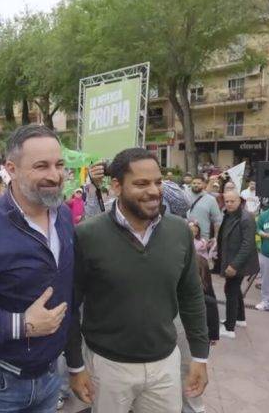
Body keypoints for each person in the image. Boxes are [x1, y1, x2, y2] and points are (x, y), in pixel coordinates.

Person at [66, 148, 209, 413]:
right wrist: (75, 365)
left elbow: (192, 296)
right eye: (141, 183)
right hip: (107, 368)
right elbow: (71, 305)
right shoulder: (87, 235)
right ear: (117, 186)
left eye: (157, 182)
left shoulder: (179, 231)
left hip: (165, 365)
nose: (154, 191)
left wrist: (200, 356)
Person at [0, 125, 73, 413]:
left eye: (59, 165)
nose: (54, 175)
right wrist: (21, 325)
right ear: (12, 168)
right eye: (41, 166)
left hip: (49, 376)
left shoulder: (64, 215)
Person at [217, 190, 259, 339]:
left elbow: (247, 245)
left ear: (239, 201)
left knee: (230, 291)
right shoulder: (229, 214)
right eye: (226, 201)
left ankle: (229, 327)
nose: (229, 204)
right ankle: (240, 319)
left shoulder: (246, 218)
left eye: (232, 201)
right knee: (234, 290)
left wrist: (234, 265)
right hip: (231, 258)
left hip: (238, 263)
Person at [186, 175, 223, 240]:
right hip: (185, 236)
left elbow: (217, 221)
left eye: (199, 183)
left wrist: (216, 238)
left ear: (204, 184)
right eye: (194, 183)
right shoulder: (184, 196)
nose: (196, 185)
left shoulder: (211, 199)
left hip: (203, 238)